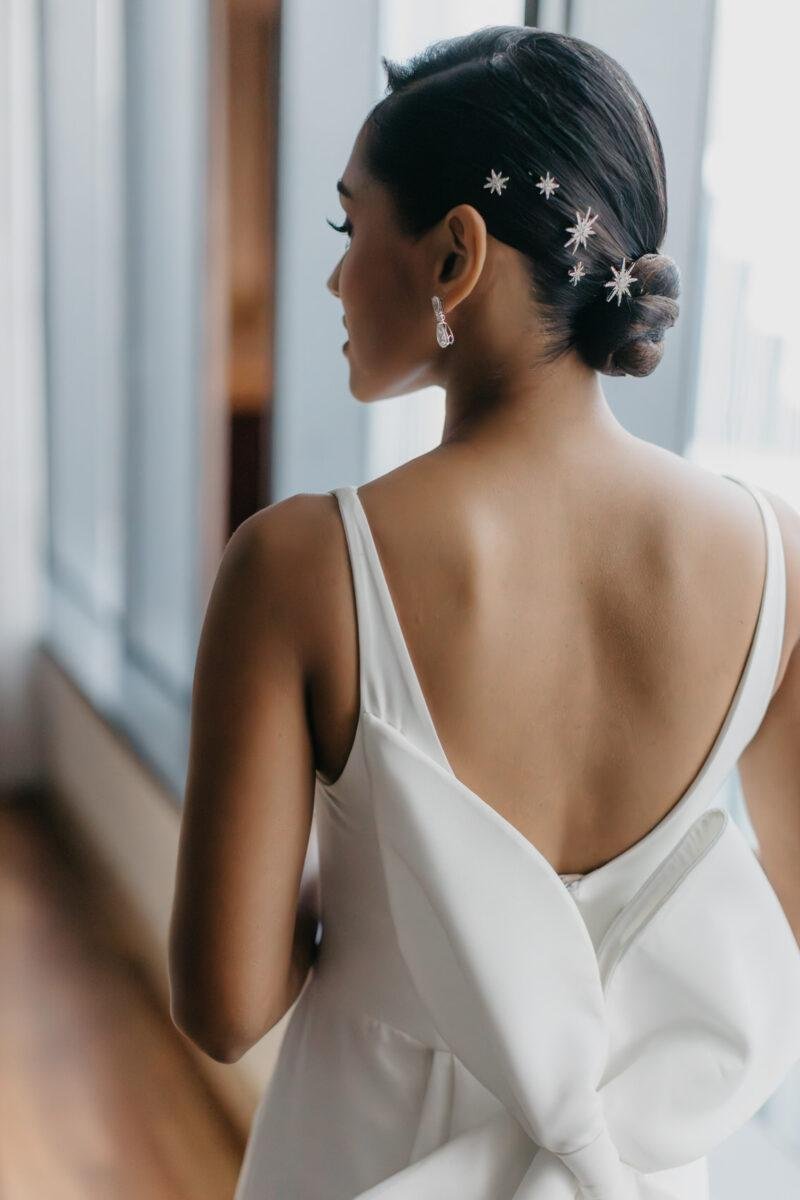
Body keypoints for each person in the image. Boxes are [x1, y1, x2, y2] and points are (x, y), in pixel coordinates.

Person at [169, 25, 800, 1199]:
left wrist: (389, 881)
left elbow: (224, 1008)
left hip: (362, 1155)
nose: (333, 277)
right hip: (635, 1167)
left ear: (454, 253)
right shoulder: (778, 564)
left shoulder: (299, 567)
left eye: (347, 228)